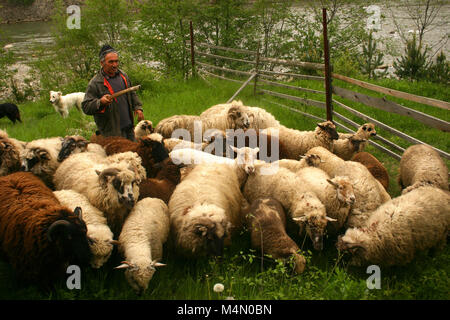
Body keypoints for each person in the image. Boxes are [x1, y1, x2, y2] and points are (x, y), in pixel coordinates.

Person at [82, 44, 145, 140]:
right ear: (102, 63)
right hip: (112, 132)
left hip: (129, 127)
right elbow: (86, 107)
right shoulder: (95, 83)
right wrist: (100, 102)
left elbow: (131, 93)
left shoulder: (123, 75)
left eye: (116, 61)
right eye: (111, 62)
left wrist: (138, 107)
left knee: (133, 153)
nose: (115, 65)